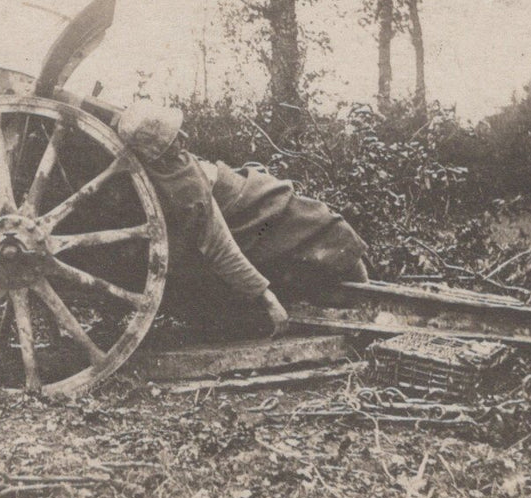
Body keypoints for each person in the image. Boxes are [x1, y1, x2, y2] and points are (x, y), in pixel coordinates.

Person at [115, 102, 369, 337]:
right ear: (157, 150)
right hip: (241, 206)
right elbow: (220, 247)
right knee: (317, 222)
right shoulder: (186, 191)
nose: (184, 140)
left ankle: (362, 290)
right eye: (172, 141)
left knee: (311, 219)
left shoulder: (168, 163)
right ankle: (360, 300)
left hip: (238, 185)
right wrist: (266, 298)